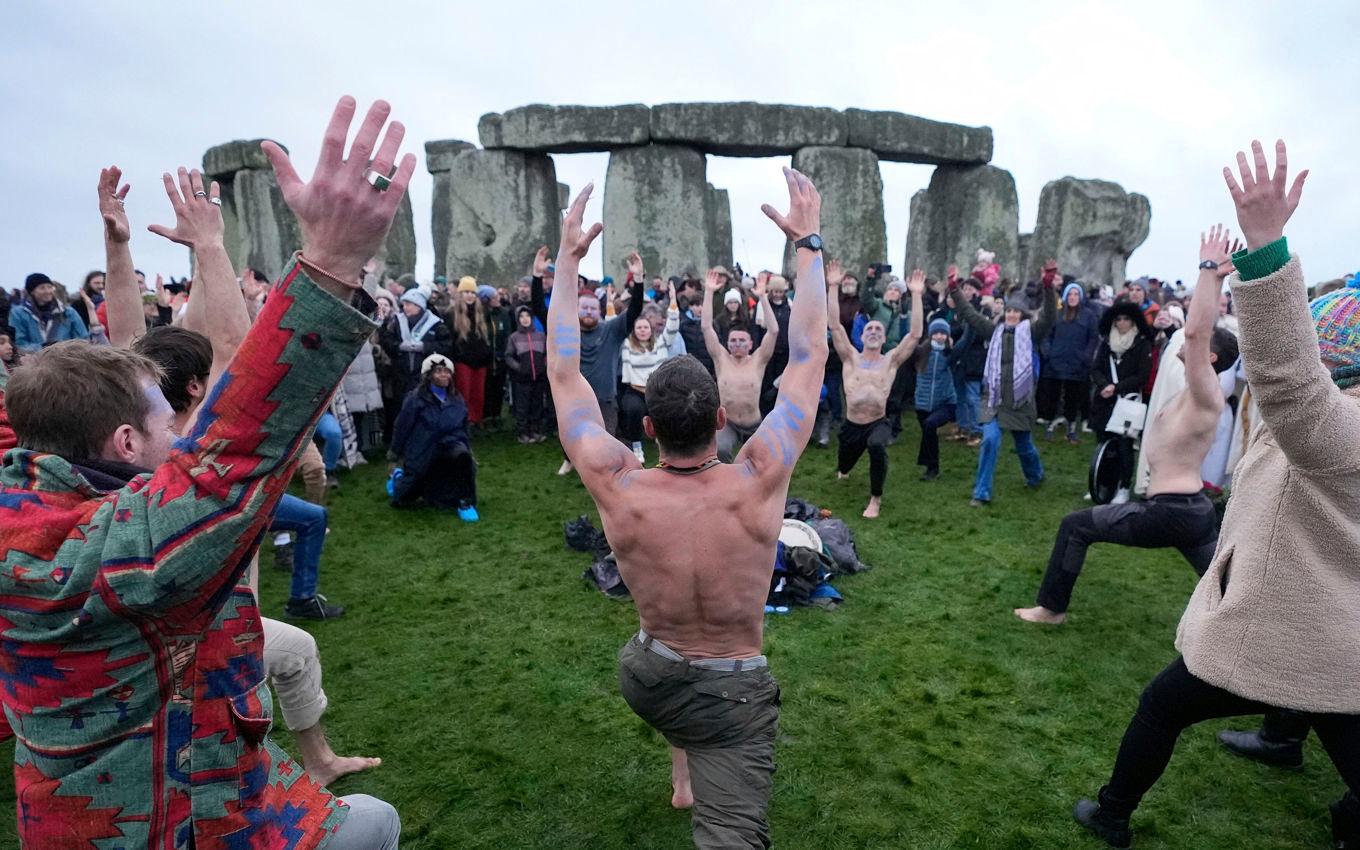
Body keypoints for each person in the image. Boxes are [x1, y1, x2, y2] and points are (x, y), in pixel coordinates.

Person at [0, 96, 410, 849]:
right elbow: (238, 448)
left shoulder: (21, 483)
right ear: (126, 442)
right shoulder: (123, 555)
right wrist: (331, 262)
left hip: (73, 812)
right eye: (166, 424)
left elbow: (120, 361)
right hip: (177, 815)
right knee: (377, 825)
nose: (182, 433)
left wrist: (117, 249)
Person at [1072, 139, 1360, 850]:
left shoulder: (1341, 427)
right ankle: (1284, 741)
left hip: (1289, 625)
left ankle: (1111, 814)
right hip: (1334, 634)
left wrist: (1264, 252)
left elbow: (1290, 380)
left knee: (1162, 705)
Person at [547, 169, 827, 849]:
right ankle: (701, 777)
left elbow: (564, 373)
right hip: (729, 691)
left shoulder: (619, 482)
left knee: (674, 673)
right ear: (725, 419)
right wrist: (808, 245)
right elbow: (810, 351)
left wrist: (567, 261)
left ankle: (682, 776)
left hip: (649, 672)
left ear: (647, 429)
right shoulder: (759, 475)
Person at [1015, 226, 1241, 626]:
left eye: (1193, 350)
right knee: (1225, 586)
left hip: (1171, 512)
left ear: (1209, 358)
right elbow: (1192, 336)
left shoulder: (1207, 393)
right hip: (1191, 512)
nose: (1183, 348)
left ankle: (1051, 609)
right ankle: (1255, 632)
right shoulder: (1191, 392)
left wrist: (1210, 272)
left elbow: (1195, 330)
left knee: (1075, 526)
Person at [949, 270, 1057, 506]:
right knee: (989, 441)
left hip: (1020, 399)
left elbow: (1049, 317)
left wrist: (1048, 287)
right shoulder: (993, 331)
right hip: (993, 397)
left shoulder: (1032, 333)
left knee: (1024, 446)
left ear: (1023, 314)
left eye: (1016, 311)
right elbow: (970, 314)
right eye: (1009, 310)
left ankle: (1035, 476)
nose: (1011, 314)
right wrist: (955, 290)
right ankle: (981, 492)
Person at [828, 269, 925, 518]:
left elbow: (914, 335)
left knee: (877, 446)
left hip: (877, 422)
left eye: (878, 330)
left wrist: (916, 295)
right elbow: (835, 326)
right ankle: (845, 468)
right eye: (869, 329)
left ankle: (875, 499)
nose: (873, 332)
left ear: (884, 339)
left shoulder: (890, 361)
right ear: (861, 336)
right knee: (844, 463)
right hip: (852, 425)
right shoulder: (851, 358)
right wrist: (833, 288)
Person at [696, 270, 778, 463]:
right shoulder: (721, 358)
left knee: (765, 459)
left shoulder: (758, 360)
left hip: (754, 423)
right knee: (720, 451)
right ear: (727, 343)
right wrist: (708, 292)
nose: (738, 344)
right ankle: (727, 482)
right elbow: (706, 327)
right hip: (727, 423)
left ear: (750, 344)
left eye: (742, 340)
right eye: (733, 341)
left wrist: (763, 297)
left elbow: (773, 331)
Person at [389, 353, 478, 521]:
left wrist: (467, 448)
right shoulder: (415, 399)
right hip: (423, 450)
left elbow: (463, 427)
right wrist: (394, 454)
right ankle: (398, 478)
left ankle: (465, 502)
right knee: (403, 499)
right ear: (429, 375)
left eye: (446, 371)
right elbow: (402, 426)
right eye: (438, 371)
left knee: (463, 458)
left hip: (449, 445)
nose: (443, 375)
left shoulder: (457, 399)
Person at [1089, 301, 1154, 504]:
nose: (1122, 323)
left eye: (1126, 319)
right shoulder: (1106, 342)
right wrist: (1103, 385)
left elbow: (1142, 375)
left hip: (1127, 401)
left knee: (1125, 446)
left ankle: (1124, 486)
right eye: (1118, 319)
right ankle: (1103, 483)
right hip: (1105, 401)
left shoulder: (1141, 344)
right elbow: (1096, 368)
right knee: (1104, 444)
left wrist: (1116, 388)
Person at [619, 279, 681, 462]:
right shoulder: (627, 344)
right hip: (635, 391)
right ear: (635, 330)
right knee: (633, 409)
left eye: (645, 327)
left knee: (669, 409)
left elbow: (673, 326)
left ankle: (664, 441)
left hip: (657, 389)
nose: (642, 330)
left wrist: (673, 301)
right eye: (639, 328)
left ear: (650, 329)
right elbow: (614, 324)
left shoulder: (661, 343)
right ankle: (637, 447)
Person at [1040, 273, 1100, 443]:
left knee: (1073, 397)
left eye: (1076, 294)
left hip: (1077, 363)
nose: (1073, 297)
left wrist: (1086, 356)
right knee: (1052, 395)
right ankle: (1051, 424)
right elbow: (1047, 335)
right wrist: (1048, 353)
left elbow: (1093, 338)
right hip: (1056, 361)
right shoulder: (1057, 315)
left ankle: (1071, 426)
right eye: (1070, 294)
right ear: (1065, 297)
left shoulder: (1089, 315)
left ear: (1080, 297)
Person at [380, 286, 452, 406]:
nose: (404, 307)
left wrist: (424, 347)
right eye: (403, 304)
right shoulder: (396, 321)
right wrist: (399, 346)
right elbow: (386, 341)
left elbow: (446, 345)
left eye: (408, 304)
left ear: (418, 305)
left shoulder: (436, 324)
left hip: (425, 374)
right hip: (400, 375)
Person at [913, 317, 965, 480]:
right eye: (936, 333)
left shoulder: (950, 354)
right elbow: (907, 340)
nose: (940, 336)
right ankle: (932, 468)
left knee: (930, 425)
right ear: (930, 335)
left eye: (943, 333)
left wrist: (970, 321)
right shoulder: (920, 352)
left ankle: (929, 466)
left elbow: (966, 341)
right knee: (929, 435)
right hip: (922, 404)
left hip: (945, 403)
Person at [449, 276, 494, 427]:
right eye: (466, 292)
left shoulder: (482, 312)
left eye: (472, 292)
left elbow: (488, 336)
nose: (470, 295)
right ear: (461, 294)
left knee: (478, 394)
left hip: (480, 359)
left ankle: (476, 419)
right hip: (463, 360)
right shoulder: (452, 314)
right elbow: (451, 338)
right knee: (464, 392)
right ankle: (464, 420)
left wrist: (487, 354)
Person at [12, 273, 89, 353]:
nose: (47, 291)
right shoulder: (19, 314)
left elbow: (83, 338)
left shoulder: (68, 312)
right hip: (34, 361)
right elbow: (19, 343)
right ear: (32, 291)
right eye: (42, 288)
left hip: (65, 359)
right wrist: (44, 347)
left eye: (50, 287)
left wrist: (67, 350)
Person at [505, 303, 550, 443]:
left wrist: (544, 364)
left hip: (539, 377)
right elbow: (508, 356)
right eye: (522, 316)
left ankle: (535, 430)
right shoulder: (514, 337)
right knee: (523, 407)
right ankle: (523, 432)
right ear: (518, 320)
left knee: (537, 405)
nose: (525, 319)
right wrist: (519, 368)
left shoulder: (541, 336)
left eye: (527, 316)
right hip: (522, 379)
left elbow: (547, 353)